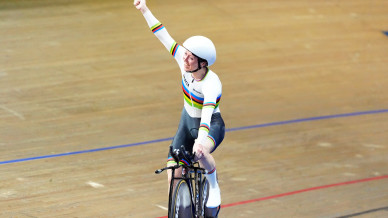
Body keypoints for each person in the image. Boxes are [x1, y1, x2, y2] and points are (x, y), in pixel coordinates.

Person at [133, 0, 225, 213]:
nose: (185, 58)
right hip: (186, 122)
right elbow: (161, 33)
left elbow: (206, 116)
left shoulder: (212, 83)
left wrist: (200, 142)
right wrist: (145, 9)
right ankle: (181, 209)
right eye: (186, 53)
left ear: (203, 63)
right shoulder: (182, 57)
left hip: (210, 125)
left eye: (191, 57)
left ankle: (213, 186)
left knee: (201, 154)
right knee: (173, 171)